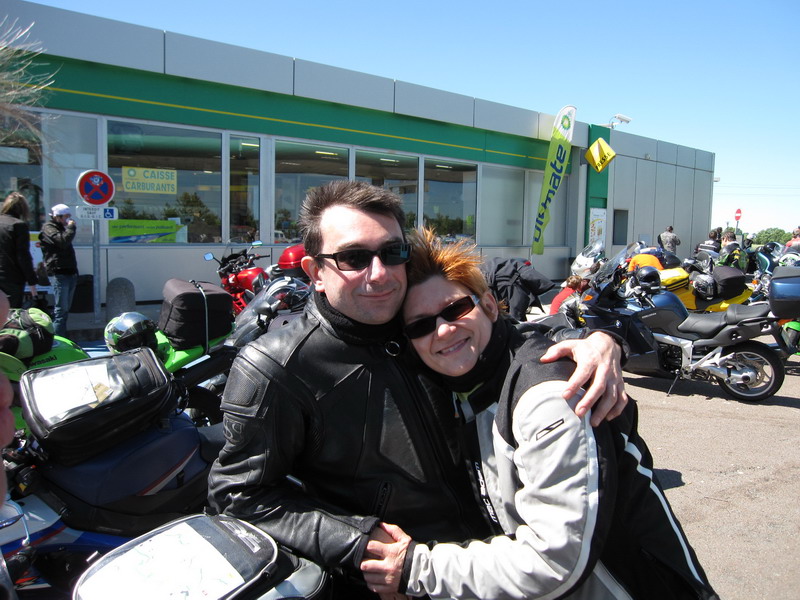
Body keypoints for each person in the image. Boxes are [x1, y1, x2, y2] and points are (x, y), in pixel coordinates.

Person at [207, 181, 627, 597]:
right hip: (404, 578)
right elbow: (237, 492)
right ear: (316, 272)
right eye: (354, 258)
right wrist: (359, 542)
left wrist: (598, 341)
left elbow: (496, 331)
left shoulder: (415, 315)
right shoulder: (275, 367)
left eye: (392, 252)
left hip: (492, 561)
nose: (379, 274)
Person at [361, 228, 718, 600]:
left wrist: (415, 569)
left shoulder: (548, 394)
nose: (443, 329)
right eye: (421, 325)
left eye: (455, 309)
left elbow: (555, 559)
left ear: (488, 306)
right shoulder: (463, 385)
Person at [38, 204, 77, 337]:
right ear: (57, 217)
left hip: (70, 272)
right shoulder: (49, 228)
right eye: (66, 217)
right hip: (59, 273)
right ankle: (58, 339)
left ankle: (61, 335)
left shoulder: (61, 228)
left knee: (65, 309)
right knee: (61, 310)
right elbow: (62, 241)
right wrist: (71, 228)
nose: (68, 219)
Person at [0, 192, 38, 308]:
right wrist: (32, 280)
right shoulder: (19, 225)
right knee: (12, 312)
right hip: (12, 277)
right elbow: (23, 255)